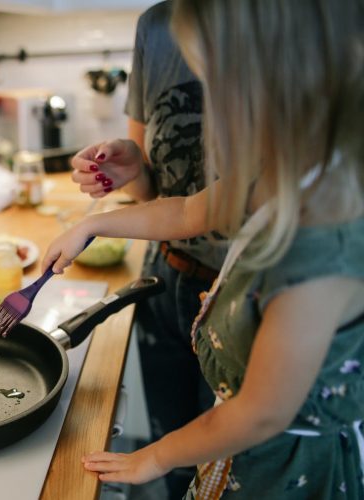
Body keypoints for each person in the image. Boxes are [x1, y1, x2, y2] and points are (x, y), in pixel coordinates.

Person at [45, 0, 364, 497]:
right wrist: (93, 226)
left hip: (283, 473)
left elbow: (259, 414)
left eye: (219, 83)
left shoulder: (319, 251)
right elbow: (187, 212)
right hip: (239, 447)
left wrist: (155, 455)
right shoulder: (286, 173)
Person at [71, 2, 218, 496]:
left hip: (246, 292)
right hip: (167, 278)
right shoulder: (157, 25)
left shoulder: (296, 24)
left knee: (223, 464)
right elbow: (165, 199)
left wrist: (96, 225)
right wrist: (130, 168)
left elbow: (261, 415)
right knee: (171, 456)